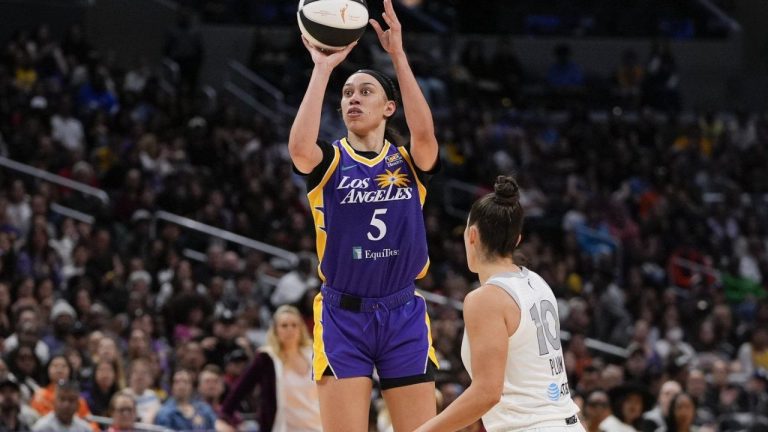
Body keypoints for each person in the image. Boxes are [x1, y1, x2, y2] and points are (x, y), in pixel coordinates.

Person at [287, 0, 440, 430]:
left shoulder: (410, 162)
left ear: (389, 107)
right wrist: (322, 68)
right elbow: (299, 149)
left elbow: (426, 133)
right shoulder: (330, 163)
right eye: (348, 93)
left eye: (365, 91)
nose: (353, 98)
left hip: (403, 312)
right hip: (342, 316)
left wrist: (398, 56)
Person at [415, 176, 583, 432]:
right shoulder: (537, 282)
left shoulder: (485, 298)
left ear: (471, 235)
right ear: (517, 239)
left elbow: (487, 392)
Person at [220, 305, 321, 432]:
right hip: (281, 428)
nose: (290, 329)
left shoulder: (313, 353)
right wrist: (224, 416)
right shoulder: (266, 358)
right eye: (284, 325)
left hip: (317, 426)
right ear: (275, 330)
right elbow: (241, 388)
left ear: (301, 328)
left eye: (294, 325)